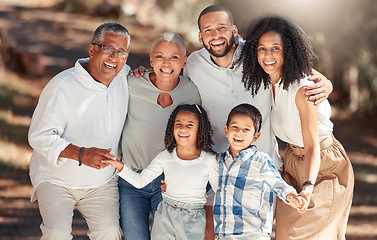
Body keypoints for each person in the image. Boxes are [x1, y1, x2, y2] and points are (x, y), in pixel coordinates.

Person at [239, 16, 354, 239]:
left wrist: (308, 186)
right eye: (262, 48)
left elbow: (312, 147)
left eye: (275, 48)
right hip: (292, 162)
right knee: (285, 234)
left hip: (324, 166)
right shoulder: (264, 82)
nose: (267, 55)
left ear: (288, 52)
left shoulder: (302, 90)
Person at [28, 22, 131, 239]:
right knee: (57, 234)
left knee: (110, 232)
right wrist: (82, 154)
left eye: (121, 52)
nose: (114, 58)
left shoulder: (125, 78)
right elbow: (40, 136)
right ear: (92, 50)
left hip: (101, 183)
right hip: (56, 179)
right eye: (109, 49)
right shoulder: (62, 86)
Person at [119, 32, 201, 239]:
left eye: (174, 57)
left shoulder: (193, 91)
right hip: (131, 178)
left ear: (184, 62)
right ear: (151, 59)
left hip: (168, 182)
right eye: (160, 56)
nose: (166, 62)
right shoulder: (131, 83)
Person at [106, 104, 218, 240]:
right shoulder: (166, 156)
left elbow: (220, 192)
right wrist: (120, 166)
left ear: (200, 129)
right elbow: (141, 181)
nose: (183, 128)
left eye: (190, 125)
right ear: (172, 127)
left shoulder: (209, 160)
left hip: (193, 218)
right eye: (178, 124)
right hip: (165, 215)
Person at [213, 103, 307, 239]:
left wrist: (291, 196)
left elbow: (277, 183)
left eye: (246, 129)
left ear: (255, 136)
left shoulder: (260, 161)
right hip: (224, 235)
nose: (239, 132)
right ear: (226, 130)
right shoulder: (220, 161)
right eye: (235, 127)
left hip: (253, 235)